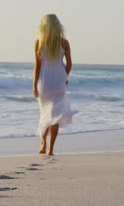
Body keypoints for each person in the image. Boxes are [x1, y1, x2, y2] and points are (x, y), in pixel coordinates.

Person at [33, 14, 76, 156]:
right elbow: (69, 64)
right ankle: (50, 150)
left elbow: (37, 66)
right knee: (55, 116)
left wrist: (34, 85)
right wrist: (65, 76)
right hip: (58, 81)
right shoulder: (64, 43)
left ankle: (43, 143)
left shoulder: (39, 42)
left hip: (44, 82)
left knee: (44, 113)